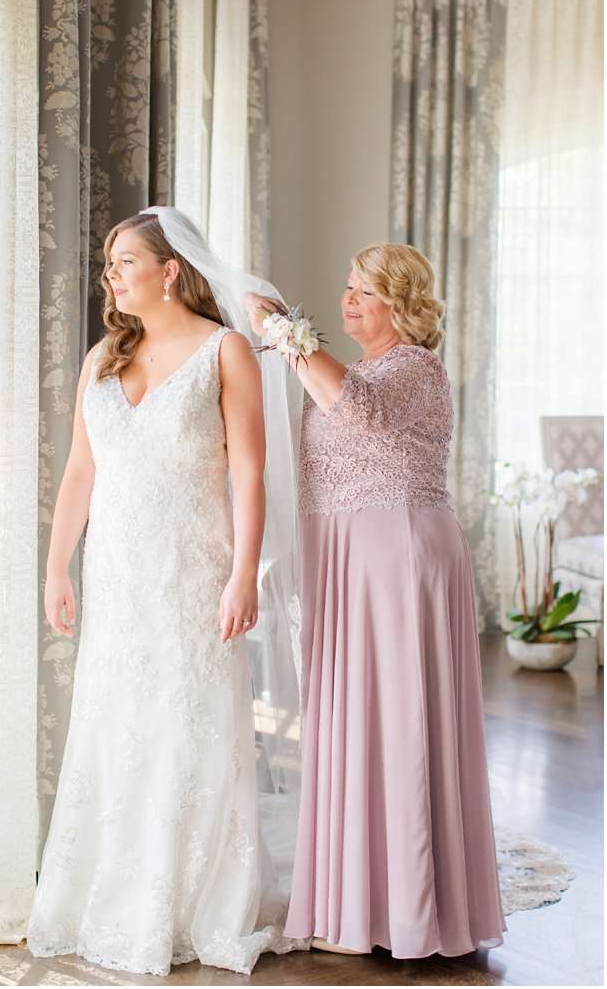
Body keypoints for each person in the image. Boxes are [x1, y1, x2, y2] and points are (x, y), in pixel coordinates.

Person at [26, 208, 301, 976]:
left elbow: (249, 473)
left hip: (194, 573)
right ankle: (114, 893)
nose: (111, 277)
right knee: (118, 726)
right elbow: (81, 472)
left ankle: (193, 901)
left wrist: (244, 572)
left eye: (124, 262)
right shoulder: (101, 361)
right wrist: (56, 566)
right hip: (116, 576)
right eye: (109, 265)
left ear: (169, 269)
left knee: (190, 730)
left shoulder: (227, 351)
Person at [249, 242, 505, 957]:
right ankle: (357, 899)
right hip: (347, 558)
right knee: (354, 723)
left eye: (364, 290)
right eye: (348, 287)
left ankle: (412, 909)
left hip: (399, 557)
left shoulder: (417, 369)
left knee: (402, 722)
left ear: (401, 303)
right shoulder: (359, 367)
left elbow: (357, 413)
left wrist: (279, 328)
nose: (348, 300)